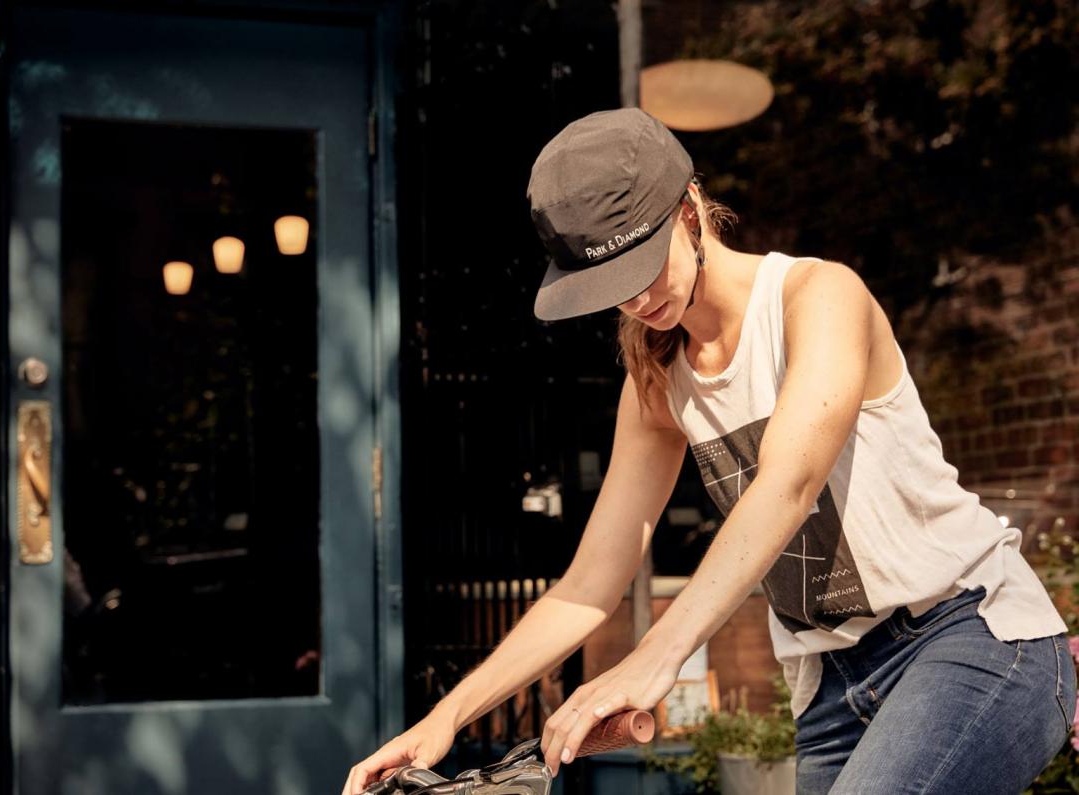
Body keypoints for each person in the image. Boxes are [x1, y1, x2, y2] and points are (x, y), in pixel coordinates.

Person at [342, 107, 1076, 795]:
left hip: (970, 633)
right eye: (611, 287)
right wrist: (447, 717)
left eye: (640, 267)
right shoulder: (659, 382)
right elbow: (591, 582)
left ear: (689, 209)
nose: (636, 301)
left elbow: (787, 485)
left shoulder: (819, 298)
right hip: (830, 682)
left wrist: (653, 658)